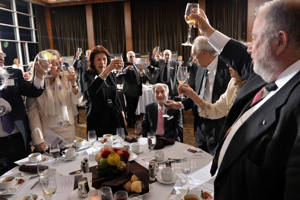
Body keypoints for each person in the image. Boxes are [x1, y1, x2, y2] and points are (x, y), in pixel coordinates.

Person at [190, 1, 300, 199]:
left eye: (254, 38)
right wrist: (208, 31)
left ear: (279, 41)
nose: (248, 48)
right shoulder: (267, 74)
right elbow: (238, 55)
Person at [169, 36, 231, 154]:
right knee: (201, 160)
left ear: (203, 53)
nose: (193, 59)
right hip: (199, 125)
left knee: (215, 162)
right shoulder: (199, 68)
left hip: (218, 126)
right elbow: (197, 95)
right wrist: (180, 104)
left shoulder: (227, 69)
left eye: (194, 55)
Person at [0, 48, 46, 175]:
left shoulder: (14, 73)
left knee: (25, 175)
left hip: (18, 137)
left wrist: (39, 76)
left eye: (2, 53)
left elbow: (33, 91)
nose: (1, 57)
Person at [27, 50, 83, 151]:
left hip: (68, 130)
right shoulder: (34, 87)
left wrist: (74, 84)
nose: (58, 67)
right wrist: (38, 140)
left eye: (58, 63)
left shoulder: (66, 79)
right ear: (44, 66)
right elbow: (33, 115)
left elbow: (78, 101)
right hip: (48, 134)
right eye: (54, 64)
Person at [82, 45, 126, 137]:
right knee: (101, 149)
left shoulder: (111, 75)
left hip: (114, 116)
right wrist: (108, 69)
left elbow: (116, 95)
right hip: (97, 118)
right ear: (93, 62)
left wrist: (121, 112)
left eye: (104, 59)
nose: (102, 62)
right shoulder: (87, 75)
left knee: (119, 146)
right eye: (98, 59)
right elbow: (91, 92)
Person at [170, 66, 244, 119]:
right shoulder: (233, 82)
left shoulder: (225, 68)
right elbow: (216, 108)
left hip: (219, 125)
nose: (193, 58)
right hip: (202, 120)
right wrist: (190, 96)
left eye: (196, 54)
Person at [121, 51, 143, 128]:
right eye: (130, 56)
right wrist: (126, 68)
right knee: (130, 109)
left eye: (133, 56)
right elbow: (122, 72)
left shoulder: (136, 66)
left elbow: (138, 78)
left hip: (137, 91)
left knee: (134, 108)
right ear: (127, 58)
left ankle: (133, 122)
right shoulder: (125, 65)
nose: (132, 58)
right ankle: (130, 124)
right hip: (129, 91)